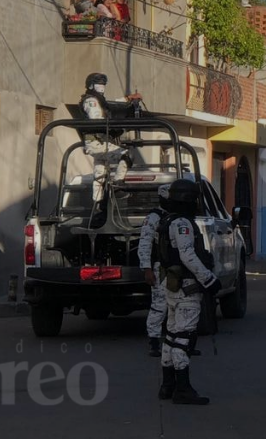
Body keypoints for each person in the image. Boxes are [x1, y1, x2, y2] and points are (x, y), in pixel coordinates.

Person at [154, 179, 221, 405]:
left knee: (172, 336)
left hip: (173, 286)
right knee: (183, 338)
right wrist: (210, 280)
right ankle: (182, 389)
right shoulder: (182, 223)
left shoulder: (167, 220)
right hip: (186, 287)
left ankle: (167, 385)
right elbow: (187, 255)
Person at [80, 72, 143, 211]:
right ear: (91, 85)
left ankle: (97, 208)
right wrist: (116, 127)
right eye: (99, 84)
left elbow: (111, 106)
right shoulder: (91, 101)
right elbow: (97, 120)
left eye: (103, 84)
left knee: (100, 175)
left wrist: (128, 99)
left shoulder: (99, 100)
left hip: (101, 141)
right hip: (97, 142)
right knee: (126, 155)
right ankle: (118, 185)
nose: (102, 87)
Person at [139, 184, 171, 357]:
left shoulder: (176, 217)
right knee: (159, 306)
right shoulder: (154, 217)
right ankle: (154, 340)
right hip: (160, 267)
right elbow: (145, 244)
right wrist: (147, 268)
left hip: (176, 268)